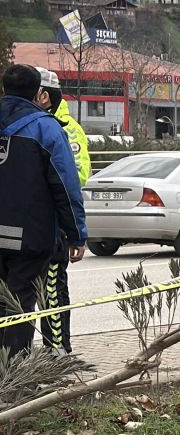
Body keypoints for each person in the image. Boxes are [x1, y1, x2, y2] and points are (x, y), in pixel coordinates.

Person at [0, 64, 87, 355]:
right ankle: (14, 371)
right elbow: (65, 186)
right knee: (21, 301)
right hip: (30, 235)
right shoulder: (46, 128)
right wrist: (76, 235)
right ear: (38, 93)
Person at [34, 67, 89, 353]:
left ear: (45, 96)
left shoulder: (66, 128)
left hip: (54, 223)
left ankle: (57, 349)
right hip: (28, 221)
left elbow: (77, 177)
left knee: (52, 290)